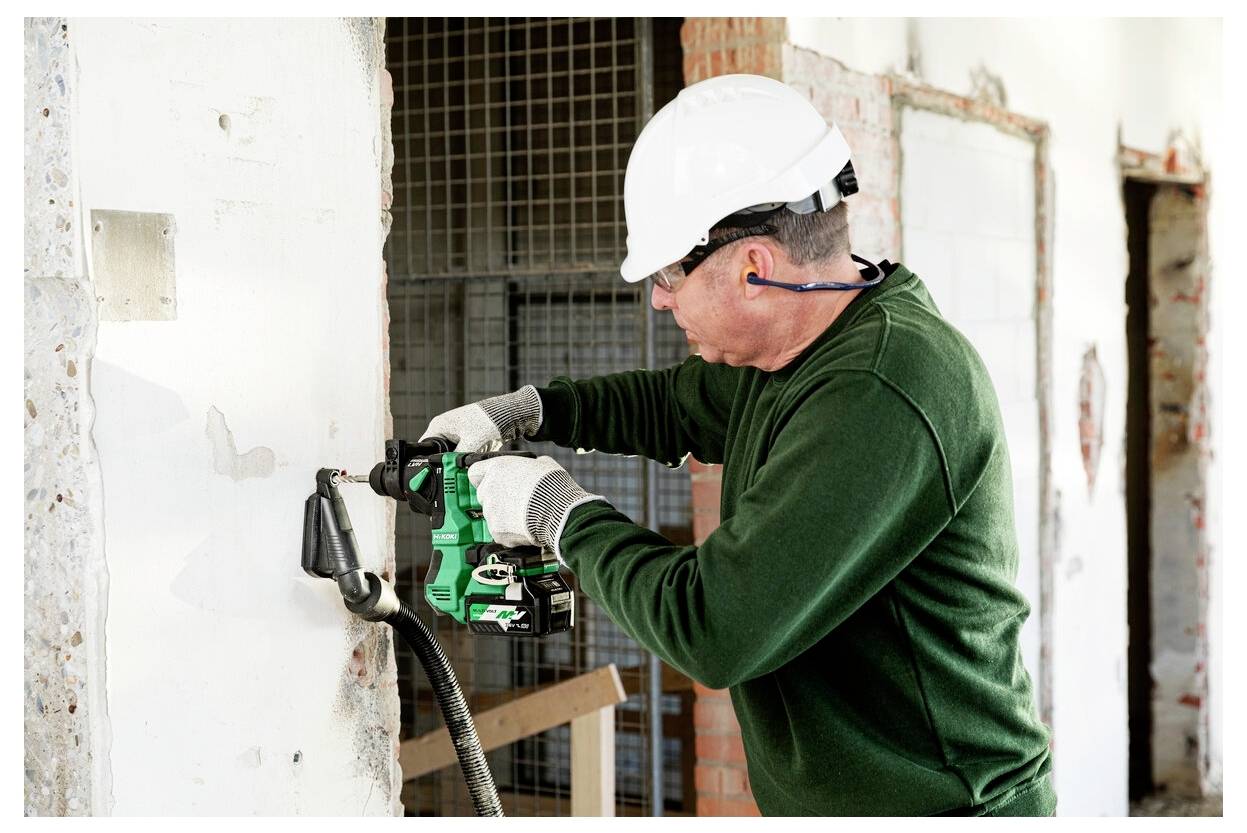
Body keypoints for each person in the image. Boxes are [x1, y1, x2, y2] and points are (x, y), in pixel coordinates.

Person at [421, 74, 1055, 816]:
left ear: (753, 267)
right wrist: (532, 410)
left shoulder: (881, 387)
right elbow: (673, 405)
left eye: (668, 273)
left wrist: (554, 510)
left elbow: (713, 627)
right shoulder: (798, 348)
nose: (658, 297)